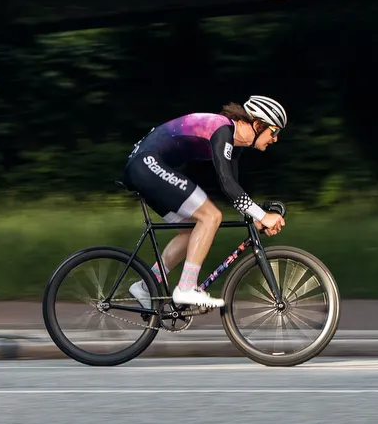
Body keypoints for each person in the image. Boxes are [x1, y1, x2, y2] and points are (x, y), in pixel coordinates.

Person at [119, 95, 287, 309]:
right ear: (257, 124)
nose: (275, 139)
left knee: (191, 232)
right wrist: (263, 215)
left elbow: (233, 189)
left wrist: (256, 218)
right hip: (146, 164)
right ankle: (187, 288)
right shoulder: (222, 129)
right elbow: (226, 183)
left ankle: (145, 285)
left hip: (143, 167)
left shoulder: (234, 144)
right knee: (211, 216)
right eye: (274, 132)